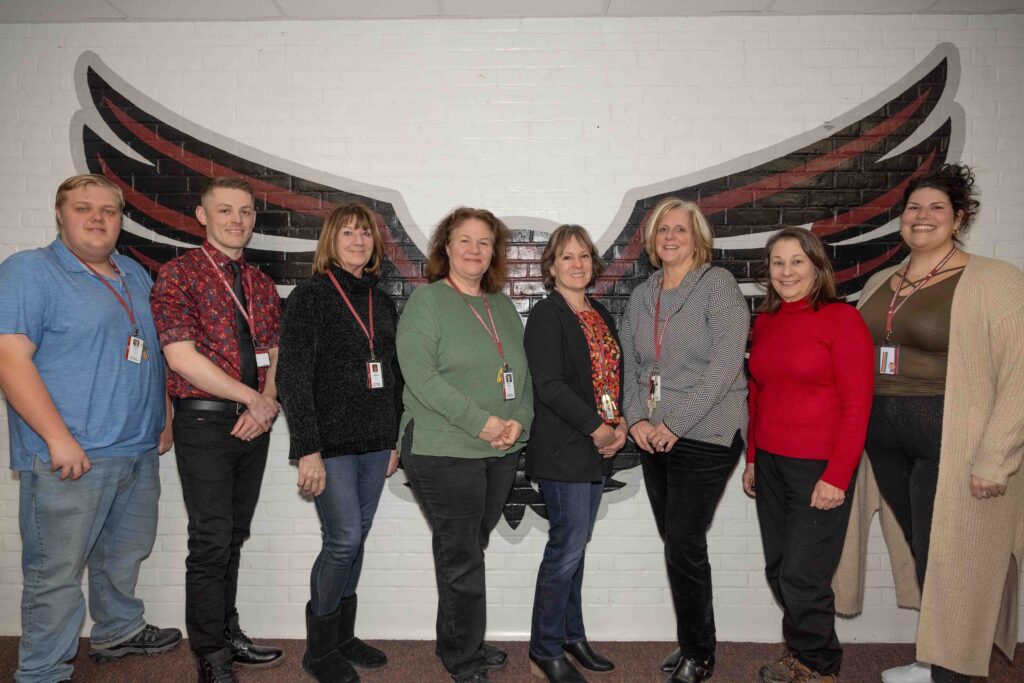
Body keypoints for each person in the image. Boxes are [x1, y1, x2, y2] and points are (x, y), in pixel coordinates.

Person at [838, 164, 1024, 683]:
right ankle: (935, 656)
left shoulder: (995, 279)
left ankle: (951, 672)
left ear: (959, 218)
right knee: (925, 549)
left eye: (936, 208)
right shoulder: (883, 281)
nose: (922, 217)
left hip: (953, 437)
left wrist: (996, 458)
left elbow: (1020, 374)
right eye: (914, 208)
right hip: (886, 438)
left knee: (955, 556)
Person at [0, 174, 180, 683]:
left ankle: (118, 630)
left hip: (137, 448)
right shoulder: (29, 272)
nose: (98, 218)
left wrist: (162, 412)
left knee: (122, 554)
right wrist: (58, 438)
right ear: (60, 214)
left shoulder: (132, 274)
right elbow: (10, 359)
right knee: (54, 572)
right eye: (84, 208)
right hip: (72, 454)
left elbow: (148, 349)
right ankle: (41, 670)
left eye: (108, 210)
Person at [150, 176, 284, 683]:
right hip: (205, 420)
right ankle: (210, 653)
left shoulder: (259, 282)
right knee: (210, 539)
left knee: (235, 534)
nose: (237, 220)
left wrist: (267, 402)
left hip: (255, 423)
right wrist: (252, 397)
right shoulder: (178, 275)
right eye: (225, 210)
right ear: (203, 216)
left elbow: (275, 353)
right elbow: (180, 356)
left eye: (246, 211)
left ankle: (228, 632)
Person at [396, 207, 533, 683]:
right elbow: (421, 378)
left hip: (499, 450)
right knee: (462, 554)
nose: (474, 250)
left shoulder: (501, 306)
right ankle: (464, 658)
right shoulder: (428, 302)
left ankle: (458, 638)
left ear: (494, 252)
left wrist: (518, 423)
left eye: (484, 242)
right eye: (465, 240)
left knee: (468, 548)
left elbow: (524, 376)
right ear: (446, 247)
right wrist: (483, 423)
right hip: (441, 447)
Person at [619, 197, 749, 683]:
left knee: (684, 544)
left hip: (709, 430)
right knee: (678, 544)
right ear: (652, 241)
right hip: (654, 434)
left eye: (680, 229)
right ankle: (694, 641)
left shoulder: (717, 285)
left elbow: (724, 367)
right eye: (662, 230)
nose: (670, 237)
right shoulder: (644, 292)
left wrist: (674, 424)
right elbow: (632, 365)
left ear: (697, 237)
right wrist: (636, 420)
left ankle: (700, 655)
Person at [277, 203, 402, 683]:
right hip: (329, 444)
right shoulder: (310, 296)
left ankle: (344, 638)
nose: (357, 241)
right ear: (331, 240)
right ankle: (319, 650)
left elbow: (391, 375)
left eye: (365, 234)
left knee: (357, 539)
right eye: (347, 233)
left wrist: (392, 438)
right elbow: (292, 375)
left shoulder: (382, 301)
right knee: (343, 538)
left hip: (375, 441)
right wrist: (306, 447)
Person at [743, 228, 874, 683]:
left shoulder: (842, 320)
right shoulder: (765, 322)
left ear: (817, 267)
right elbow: (757, 396)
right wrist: (754, 460)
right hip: (772, 464)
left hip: (820, 466)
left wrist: (838, 475)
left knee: (804, 575)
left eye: (797, 261)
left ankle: (819, 666)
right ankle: (800, 652)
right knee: (780, 569)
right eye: (777, 263)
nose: (786, 271)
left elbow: (858, 405)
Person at [524, 225, 627, 683]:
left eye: (584, 256)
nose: (577, 264)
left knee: (577, 548)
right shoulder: (547, 315)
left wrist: (619, 422)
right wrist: (596, 429)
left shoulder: (599, 311)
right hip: (566, 447)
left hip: (597, 446)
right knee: (565, 548)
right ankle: (545, 648)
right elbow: (548, 385)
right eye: (567, 257)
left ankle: (571, 635)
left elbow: (608, 378)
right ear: (551, 267)